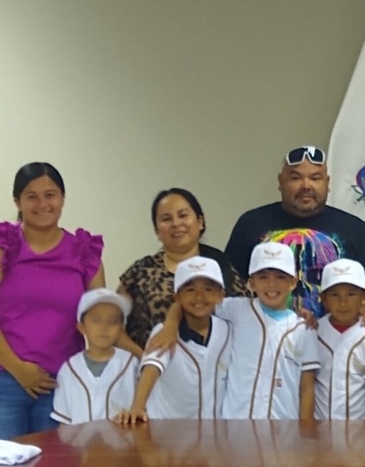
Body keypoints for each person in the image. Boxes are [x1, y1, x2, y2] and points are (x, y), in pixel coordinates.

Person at [0, 162, 105, 439]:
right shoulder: (4, 246)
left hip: (63, 383)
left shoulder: (84, 251)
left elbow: (100, 321)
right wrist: (18, 368)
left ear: (62, 198)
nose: (42, 204)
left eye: (50, 194)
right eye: (31, 196)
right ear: (17, 201)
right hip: (5, 380)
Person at [153, 241, 316, 419]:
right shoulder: (237, 309)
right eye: (263, 277)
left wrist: (305, 434)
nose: (271, 285)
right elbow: (192, 305)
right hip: (236, 425)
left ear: (293, 282)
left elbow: (306, 387)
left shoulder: (303, 328)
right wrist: (170, 325)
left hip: (284, 428)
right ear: (251, 283)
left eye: (280, 277)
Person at [224, 145, 365, 319]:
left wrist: (362, 314)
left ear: (327, 183)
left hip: (333, 339)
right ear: (280, 181)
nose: (306, 186)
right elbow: (229, 281)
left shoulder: (353, 227)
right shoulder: (251, 223)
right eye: (295, 178)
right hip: (262, 337)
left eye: (315, 178)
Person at [118, 187, 246, 354]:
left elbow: (245, 321)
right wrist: (145, 359)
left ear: (200, 222)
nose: (176, 223)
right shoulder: (140, 272)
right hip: (155, 373)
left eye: (183, 215)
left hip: (216, 373)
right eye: (166, 219)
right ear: (156, 230)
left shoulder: (221, 267)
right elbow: (112, 325)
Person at [116, 257, 232, 423]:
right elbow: (151, 369)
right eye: (190, 289)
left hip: (211, 434)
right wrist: (138, 407)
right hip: (167, 431)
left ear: (221, 296)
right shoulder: (164, 332)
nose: (199, 296)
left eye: (208, 289)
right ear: (177, 297)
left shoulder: (228, 329)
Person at [301, 258, 365, 420]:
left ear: (364, 297)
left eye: (351, 294)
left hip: (362, 436)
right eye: (334, 294)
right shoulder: (312, 331)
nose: (343, 302)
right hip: (320, 433)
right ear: (324, 299)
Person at [51, 289, 138, 425]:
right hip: (78, 444)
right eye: (96, 321)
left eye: (113, 322)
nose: (104, 328)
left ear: (122, 329)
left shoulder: (131, 364)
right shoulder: (69, 368)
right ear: (82, 327)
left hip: (123, 444)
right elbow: (64, 421)